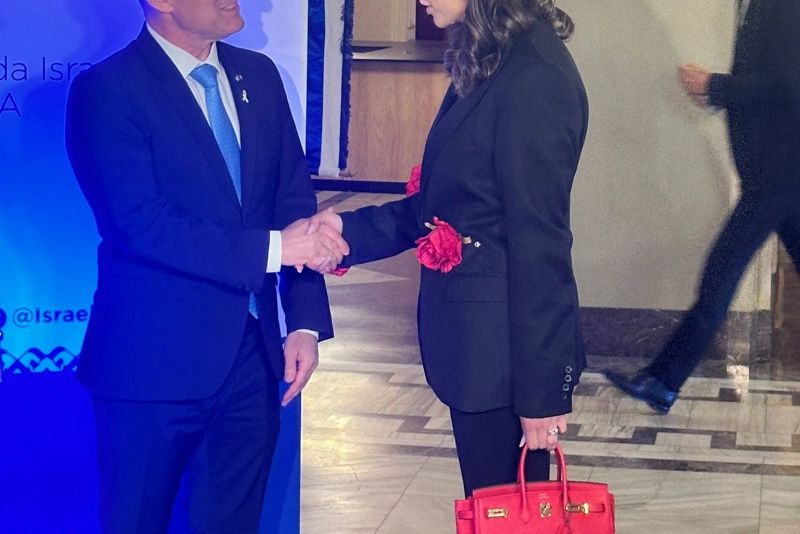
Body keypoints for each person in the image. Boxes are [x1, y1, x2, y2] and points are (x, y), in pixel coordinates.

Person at [65, 0, 348, 531]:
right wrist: (273, 250)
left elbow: (293, 204)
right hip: (149, 369)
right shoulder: (107, 89)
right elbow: (139, 222)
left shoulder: (259, 76)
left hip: (252, 362)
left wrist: (305, 323)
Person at [313, 0, 588, 496]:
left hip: (504, 364)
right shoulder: (494, 55)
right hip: (478, 354)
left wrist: (543, 393)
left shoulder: (534, 76)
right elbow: (450, 205)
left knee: (508, 517)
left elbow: (541, 244)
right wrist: (346, 231)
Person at [605, 0, 800, 414]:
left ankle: (662, 381)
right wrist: (717, 94)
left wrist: (716, 87)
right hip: (777, 173)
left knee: (719, 277)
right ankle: (662, 381)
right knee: (719, 278)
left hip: (778, 174)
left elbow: (789, 84)